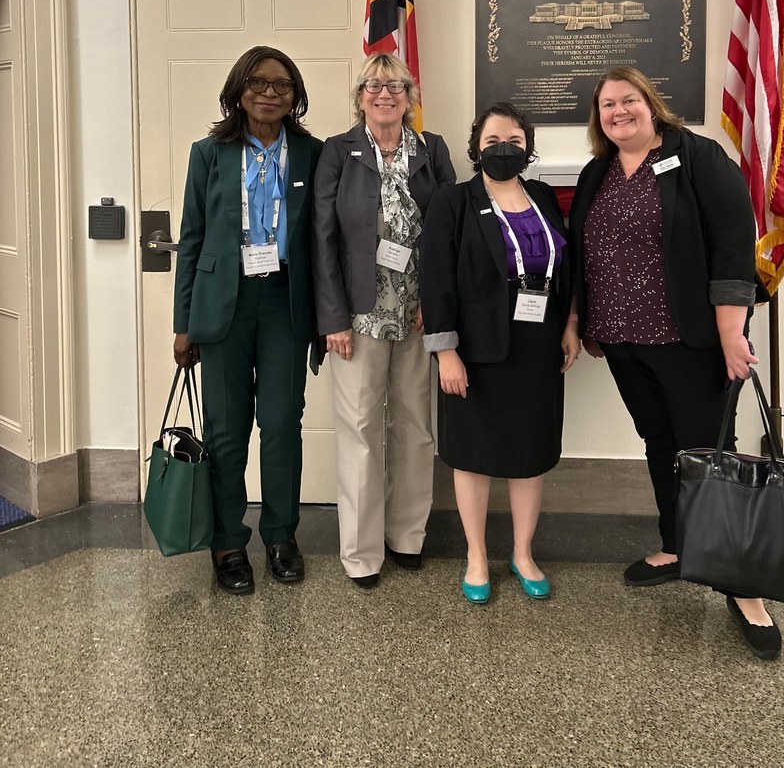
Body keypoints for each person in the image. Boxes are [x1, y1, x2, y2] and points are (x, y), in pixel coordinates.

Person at [567, 66, 781, 659]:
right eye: (607, 105)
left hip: (690, 338)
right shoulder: (597, 172)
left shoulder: (697, 156)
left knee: (711, 453)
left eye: (628, 100)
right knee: (659, 442)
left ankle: (744, 587)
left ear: (650, 103)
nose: (618, 112)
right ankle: (678, 544)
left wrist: (731, 329)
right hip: (622, 339)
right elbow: (581, 252)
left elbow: (735, 241)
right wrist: (579, 320)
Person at [173, 46, 321, 596]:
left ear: (295, 96)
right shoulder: (208, 153)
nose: (269, 92)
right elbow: (191, 240)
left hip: (285, 302)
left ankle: (281, 536)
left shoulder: (312, 153)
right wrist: (182, 323)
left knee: (282, 423)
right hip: (223, 307)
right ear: (238, 89)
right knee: (227, 432)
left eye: (282, 85)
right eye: (258, 82)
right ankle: (228, 543)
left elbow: (321, 242)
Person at [419, 102, 580, 604]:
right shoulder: (454, 201)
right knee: (474, 456)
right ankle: (475, 556)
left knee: (529, 456)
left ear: (528, 147)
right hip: (475, 350)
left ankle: (523, 552)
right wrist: (445, 352)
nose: (503, 149)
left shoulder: (544, 197)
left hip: (538, 347)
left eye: (513, 140)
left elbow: (567, 265)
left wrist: (571, 323)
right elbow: (436, 278)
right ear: (476, 148)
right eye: (492, 142)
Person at [313, 53, 456, 588]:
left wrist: (438, 303)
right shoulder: (338, 153)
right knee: (361, 433)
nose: (385, 93)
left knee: (416, 429)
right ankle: (361, 552)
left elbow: (448, 231)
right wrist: (333, 318)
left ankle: (407, 536)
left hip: (419, 315)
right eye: (374, 85)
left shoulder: (432, 150)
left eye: (395, 84)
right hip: (358, 315)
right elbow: (323, 239)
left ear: (409, 95)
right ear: (360, 97)